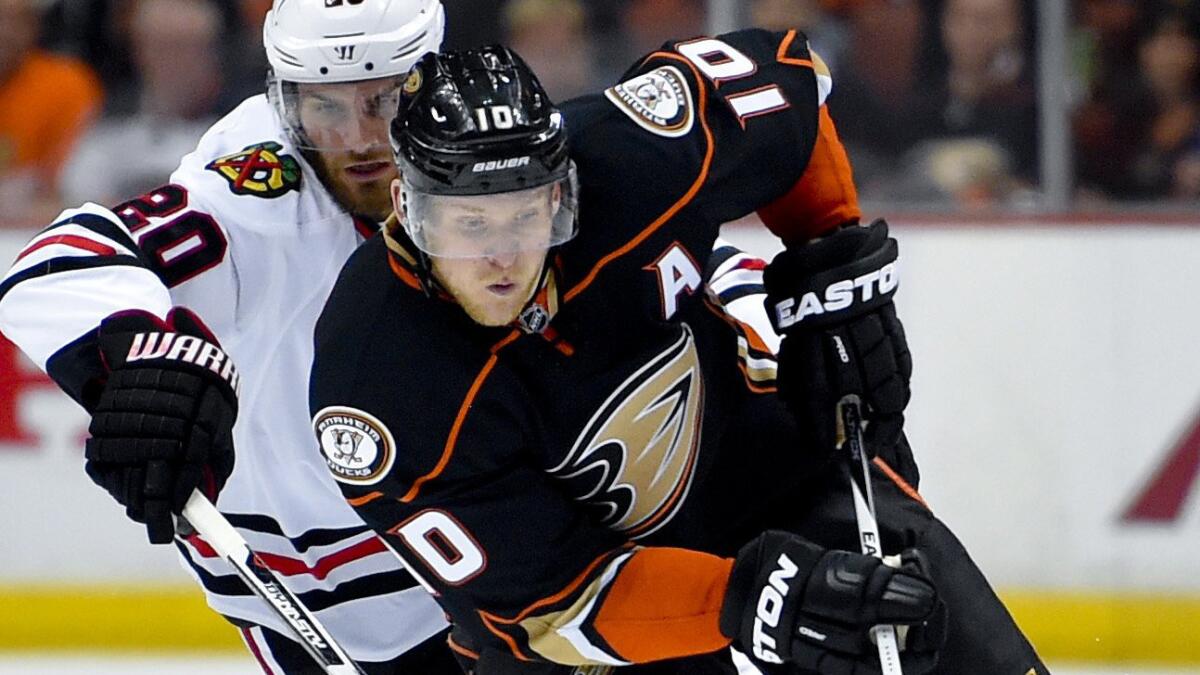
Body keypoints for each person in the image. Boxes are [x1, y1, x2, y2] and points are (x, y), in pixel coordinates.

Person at [310, 38, 1050, 673]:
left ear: (561, 192)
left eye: (525, 215)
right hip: (599, 629)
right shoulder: (375, 380)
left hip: (766, 476)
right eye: (470, 224)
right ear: (408, 211)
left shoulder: (631, 156)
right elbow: (558, 604)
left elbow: (792, 75)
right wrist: (742, 599)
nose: (503, 258)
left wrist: (830, 251)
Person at [0, 1, 457, 672]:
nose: (359, 140)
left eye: (383, 102)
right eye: (324, 108)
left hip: (474, 560)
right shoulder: (256, 188)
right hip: (307, 585)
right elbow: (59, 262)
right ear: (283, 99)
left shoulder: (489, 146)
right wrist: (147, 362)